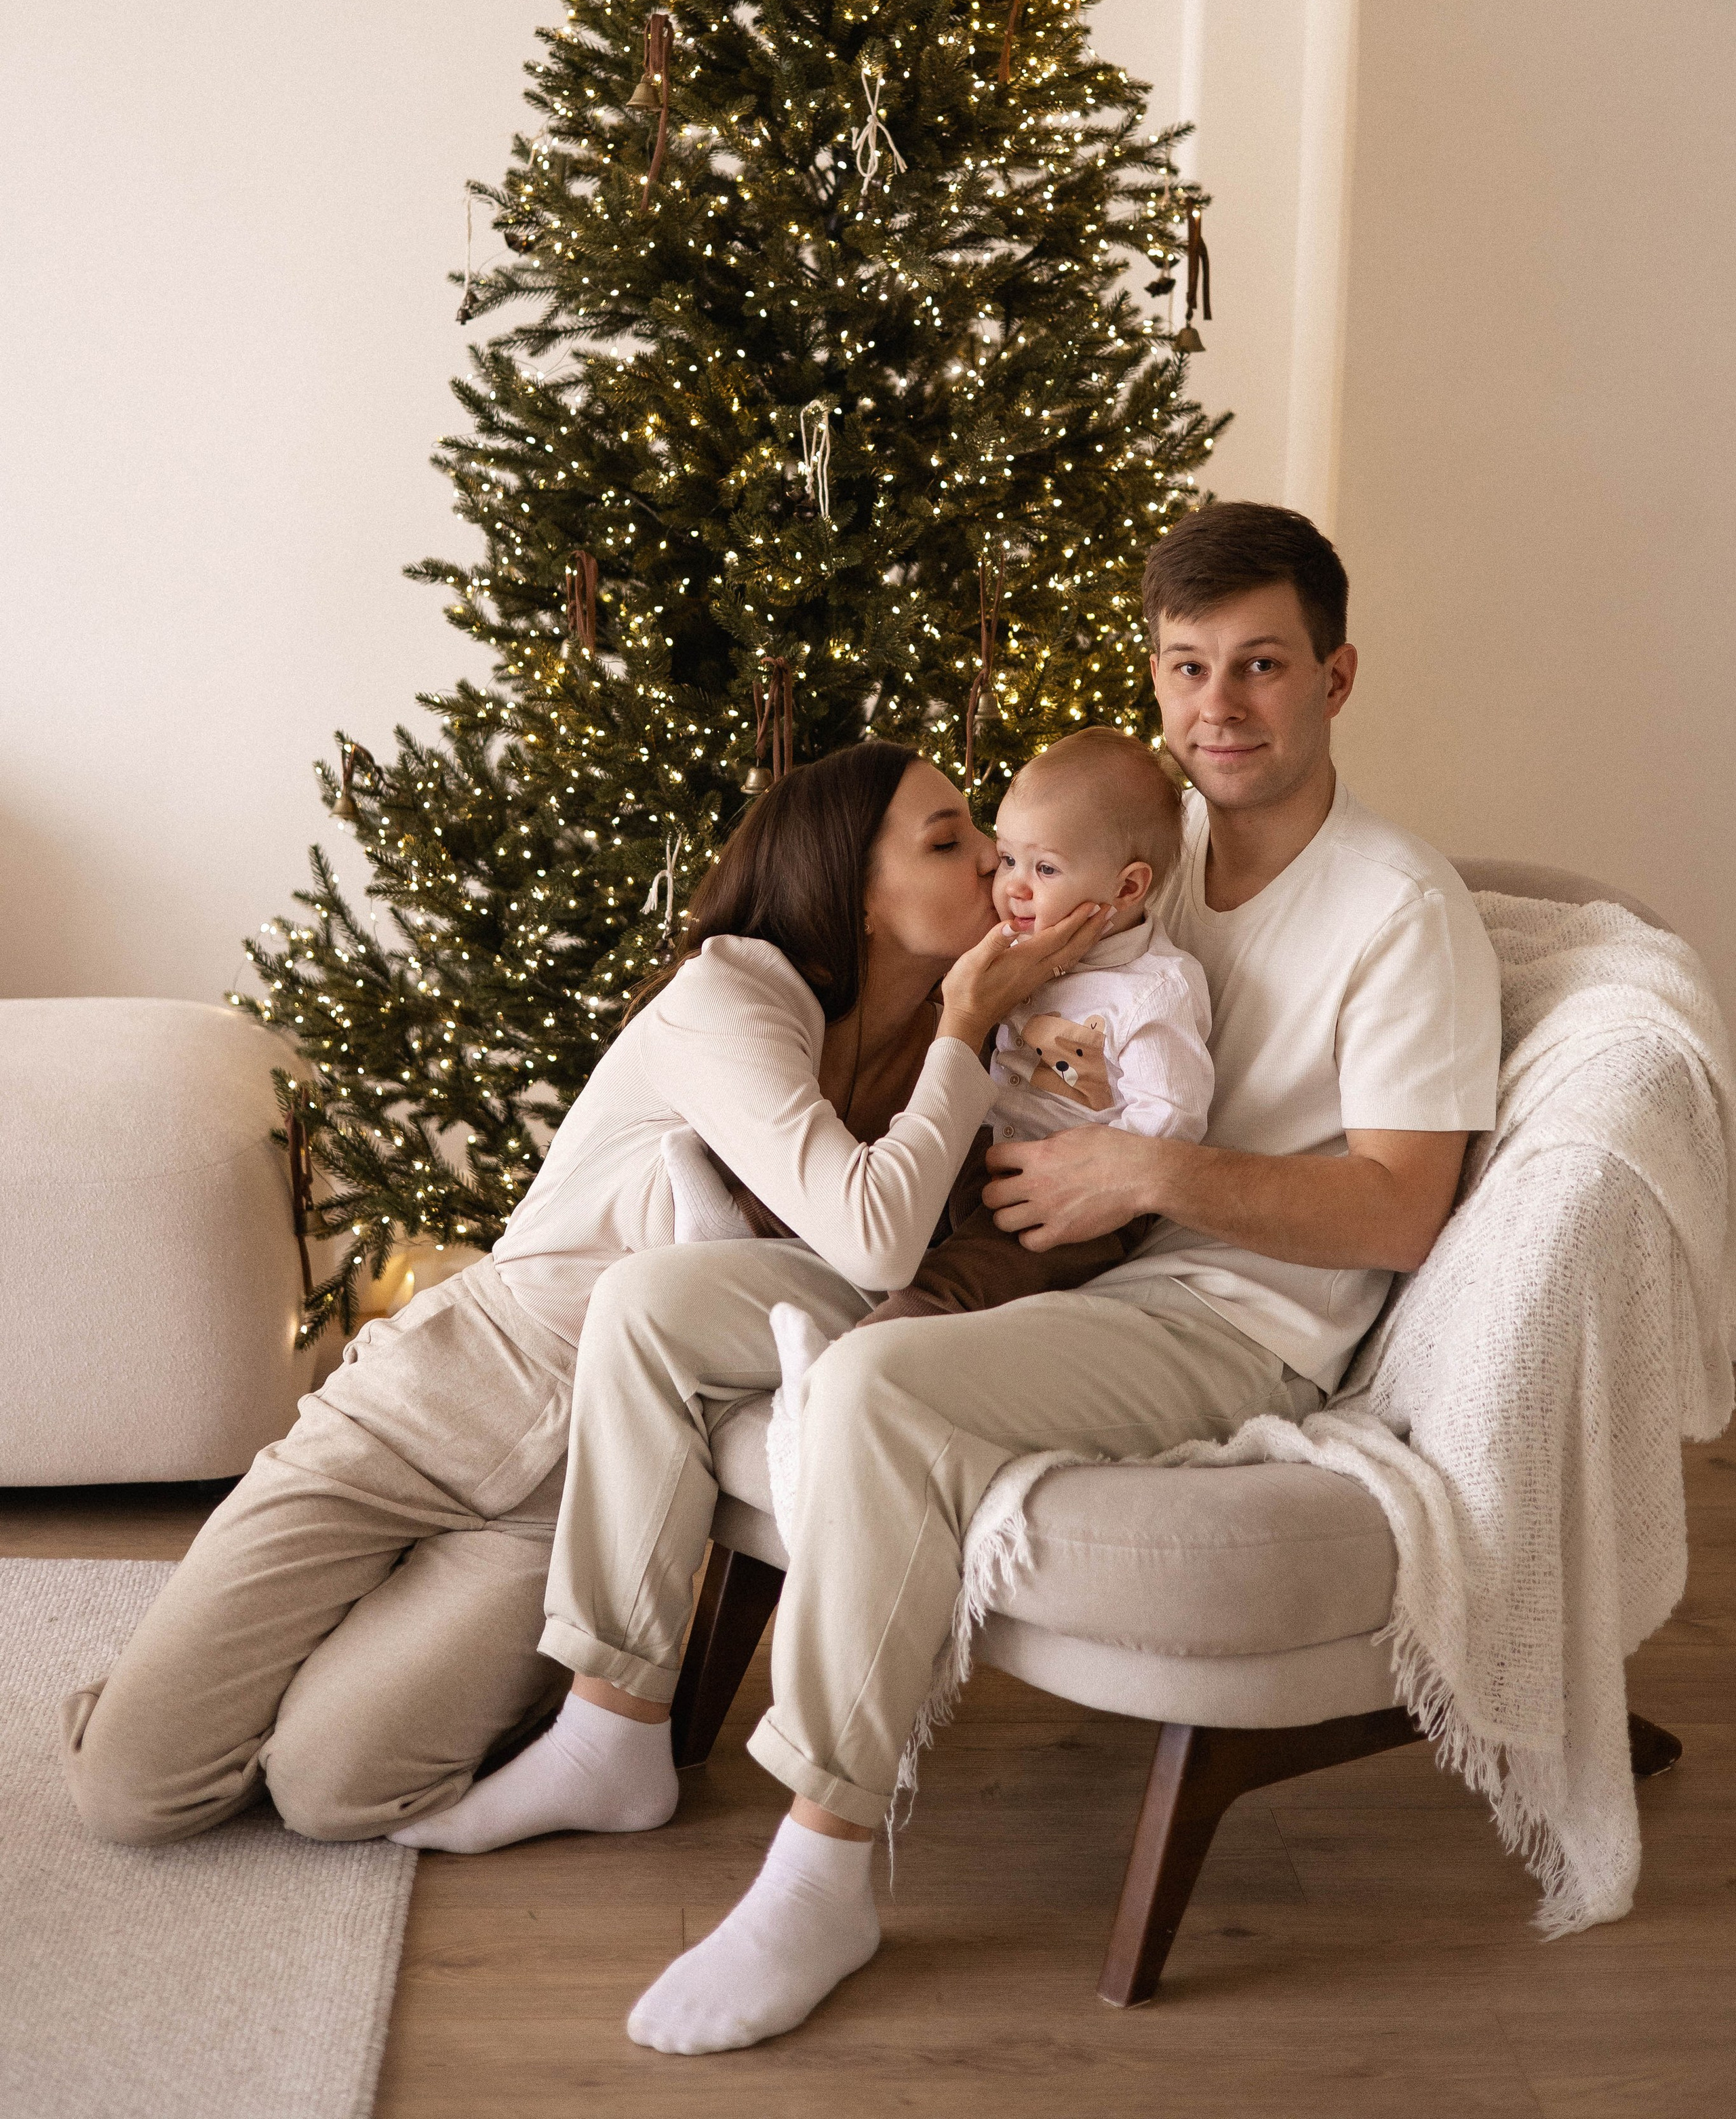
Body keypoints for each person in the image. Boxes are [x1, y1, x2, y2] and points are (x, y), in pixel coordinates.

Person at [416, 500, 1498, 2061]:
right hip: (1041, 1265)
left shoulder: (1400, 910)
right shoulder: (1136, 850)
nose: (1218, 705)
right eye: (1187, 667)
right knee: (653, 1305)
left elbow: (1400, 1211)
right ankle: (612, 1721)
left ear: (1332, 678)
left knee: (868, 1373)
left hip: (1225, 1315)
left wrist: (1146, 1176)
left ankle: (828, 1851)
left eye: (1258, 666)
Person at [60, 742, 1097, 1848]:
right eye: (950, 840)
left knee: (334, 1791)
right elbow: (873, 1236)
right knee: (136, 1793)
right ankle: (195, 1687)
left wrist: (970, 1043)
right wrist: (957, 1024)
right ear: (852, 890)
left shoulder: (977, 1065)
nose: (995, 858)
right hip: (433, 1401)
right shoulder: (730, 993)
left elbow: (976, 1239)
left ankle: (400, 1677)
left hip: (569, 1500)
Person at [667, 725, 1212, 1343]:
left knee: (953, 1276)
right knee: (890, 1186)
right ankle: (741, 1227)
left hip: (1062, 1198)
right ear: (857, 899)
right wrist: (967, 1016)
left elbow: (1169, 1117)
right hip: (986, 1167)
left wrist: (1112, 1180)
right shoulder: (736, 997)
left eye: (1044, 866)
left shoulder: (1150, 988)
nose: (1000, 874)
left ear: (1128, 887)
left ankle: (849, 1365)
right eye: (1001, 855)